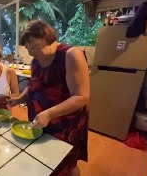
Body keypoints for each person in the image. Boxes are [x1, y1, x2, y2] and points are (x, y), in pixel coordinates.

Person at [10, 20, 90, 176]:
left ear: (48, 38)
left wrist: (48, 114)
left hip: (65, 123)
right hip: (41, 119)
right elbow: (34, 84)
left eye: (34, 47)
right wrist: (20, 98)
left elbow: (81, 97)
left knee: (67, 162)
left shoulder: (71, 55)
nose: (32, 53)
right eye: (28, 48)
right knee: (47, 159)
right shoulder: (35, 61)